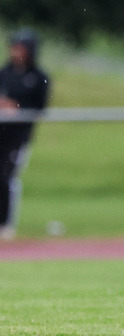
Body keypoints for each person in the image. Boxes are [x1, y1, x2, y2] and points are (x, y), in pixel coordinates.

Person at [0, 30, 51, 240]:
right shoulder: (4, 73)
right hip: (1, 133)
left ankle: (6, 223)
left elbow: (40, 106)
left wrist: (18, 107)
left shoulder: (39, 77)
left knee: (8, 177)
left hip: (19, 135)